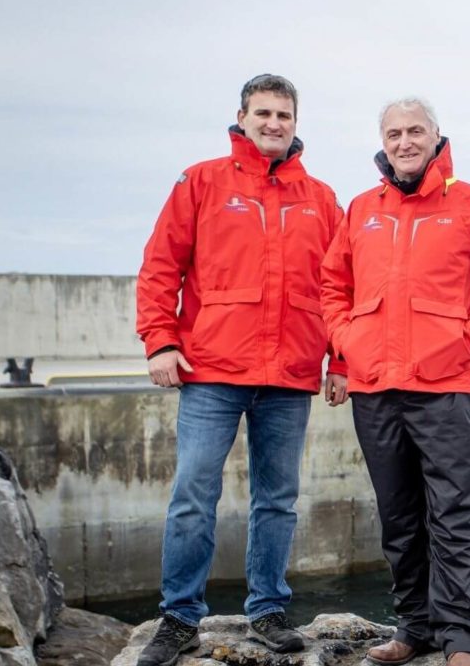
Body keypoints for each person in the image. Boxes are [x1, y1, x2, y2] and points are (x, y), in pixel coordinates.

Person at [134, 75, 347, 666]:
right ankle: (179, 618)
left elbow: (341, 288)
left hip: (291, 374)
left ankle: (269, 608)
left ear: (296, 122)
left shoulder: (322, 198)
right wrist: (159, 341)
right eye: (263, 112)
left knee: (277, 498)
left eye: (284, 114)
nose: (273, 123)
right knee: (192, 494)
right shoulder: (201, 181)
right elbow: (160, 267)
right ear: (242, 117)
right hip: (212, 369)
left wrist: (341, 359)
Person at [321, 97, 470, 666]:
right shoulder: (362, 209)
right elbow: (330, 288)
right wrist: (346, 342)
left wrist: (466, 338)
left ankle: (463, 637)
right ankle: (414, 627)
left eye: (415, 130)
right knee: (399, 517)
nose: (404, 141)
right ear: (383, 141)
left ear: (437, 136)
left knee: (456, 517)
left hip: (447, 387)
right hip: (375, 388)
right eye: (394, 133)